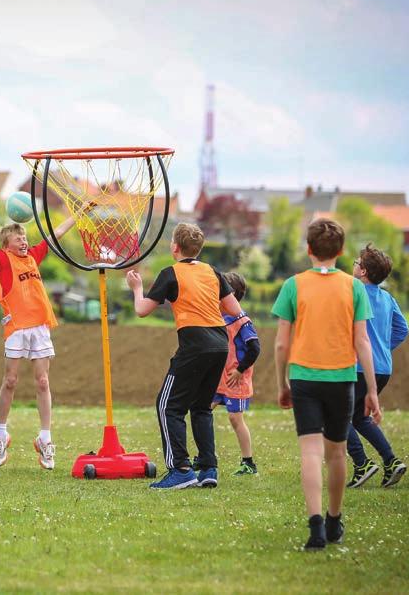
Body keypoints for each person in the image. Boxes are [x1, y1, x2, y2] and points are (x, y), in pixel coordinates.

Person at [272, 218, 380, 550]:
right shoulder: (354, 287)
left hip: (303, 378)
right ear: (342, 251)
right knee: (336, 454)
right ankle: (334, 521)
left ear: (308, 249)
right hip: (342, 379)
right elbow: (362, 341)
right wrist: (372, 390)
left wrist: (282, 384)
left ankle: (316, 527)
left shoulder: (293, 284)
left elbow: (280, 345)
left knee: (310, 452)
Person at [126, 222, 242, 490]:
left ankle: (180, 469)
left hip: (195, 345)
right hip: (220, 345)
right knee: (201, 407)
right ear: (198, 249)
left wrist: (136, 287)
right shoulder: (212, 271)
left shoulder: (171, 273)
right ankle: (208, 468)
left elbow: (142, 310)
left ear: (174, 247)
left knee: (168, 406)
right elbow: (234, 309)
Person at [0, 214, 80, 470]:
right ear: (7, 245)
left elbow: (55, 234)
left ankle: (45, 439)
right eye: (18, 238)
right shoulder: (3, 260)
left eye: (25, 237)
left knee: (43, 381)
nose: (24, 241)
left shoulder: (33, 258)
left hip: (39, 327)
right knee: (11, 380)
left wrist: (78, 214)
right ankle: (1, 435)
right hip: (16, 327)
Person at [346, 244, 409, 488]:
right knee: (360, 419)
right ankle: (391, 461)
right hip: (383, 369)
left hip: (359, 368)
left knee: (336, 416)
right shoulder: (387, 298)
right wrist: (382, 349)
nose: (353, 264)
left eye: (356, 261)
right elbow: (402, 329)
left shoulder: (354, 294)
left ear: (363, 272)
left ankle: (362, 464)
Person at [209, 272, 260, 476]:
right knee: (202, 411)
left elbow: (255, 348)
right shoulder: (216, 316)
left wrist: (240, 370)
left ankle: (248, 463)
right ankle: (204, 458)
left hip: (235, 378)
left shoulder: (241, 320)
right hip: (218, 378)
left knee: (235, 419)